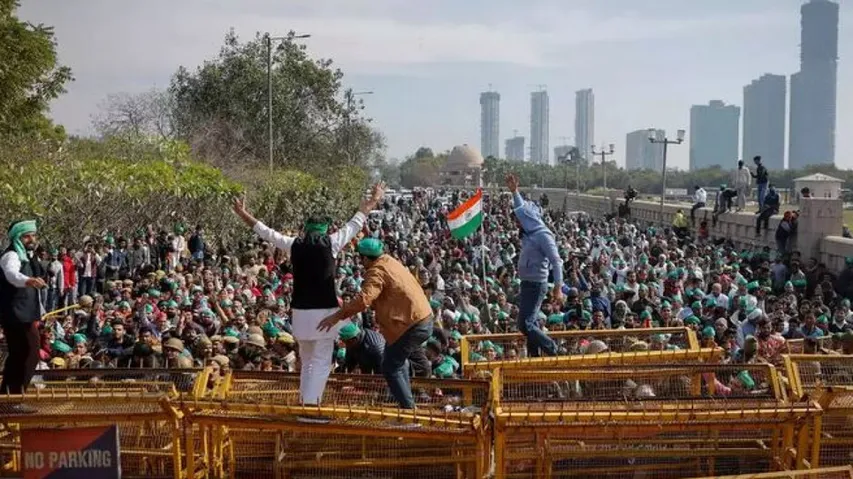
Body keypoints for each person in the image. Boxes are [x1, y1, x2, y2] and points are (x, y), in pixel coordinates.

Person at [233, 182, 385, 410]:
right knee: (322, 362)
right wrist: (369, 204)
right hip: (324, 313)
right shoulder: (331, 243)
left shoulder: (294, 244)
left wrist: (243, 213)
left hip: (300, 315)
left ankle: (305, 404)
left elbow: (265, 232)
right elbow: (354, 224)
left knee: (307, 363)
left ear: (307, 229)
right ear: (326, 229)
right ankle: (311, 409)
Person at [318, 238, 433, 410]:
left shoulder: (377, 270)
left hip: (411, 325)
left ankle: (409, 410)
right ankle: (406, 404)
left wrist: (337, 316)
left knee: (390, 366)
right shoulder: (390, 261)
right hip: (419, 320)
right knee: (396, 361)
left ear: (365, 258)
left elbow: (364, 300)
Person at [506, 173, 563, 357]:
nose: (516, 222)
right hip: (526, 283)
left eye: (519, 220)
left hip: (537, 284)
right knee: (529, 322)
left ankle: (553, 348)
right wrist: (515, 192)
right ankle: (534, 355)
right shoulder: (530, 232)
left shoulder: (543, 235)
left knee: (525, 324)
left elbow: (556, 261)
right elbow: (521, 208)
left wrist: (558, 287)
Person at [0, 220, 47, 403]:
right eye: (27, 236)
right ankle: (15, 398)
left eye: (33, 235)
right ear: (18, 237)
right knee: (31, 353)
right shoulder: (11, 255)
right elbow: (12, 275)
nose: (31, 239)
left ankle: (7, 398)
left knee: (19, 354)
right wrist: (28, 280)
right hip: (16, 313)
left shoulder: (28, 256)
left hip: (24, 313)